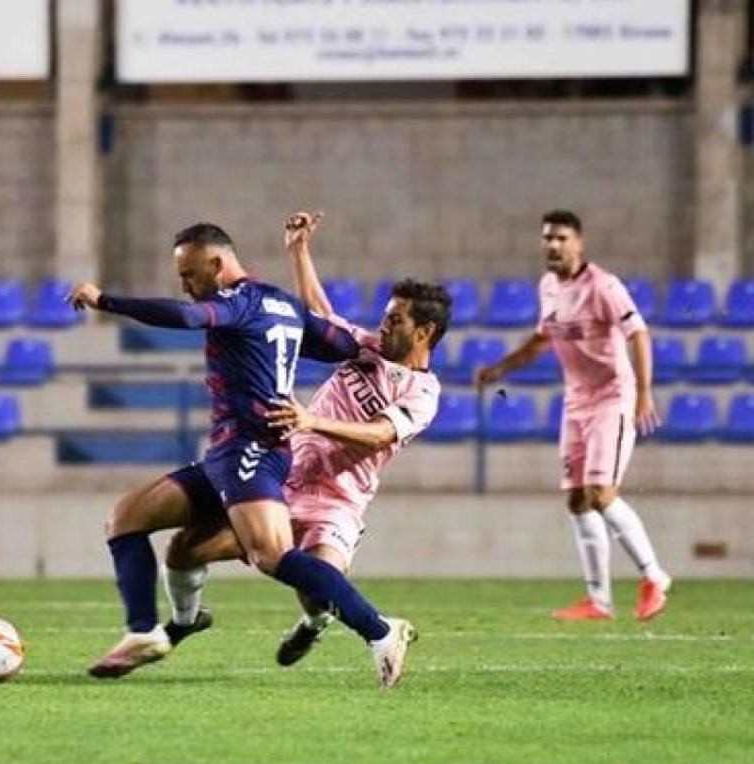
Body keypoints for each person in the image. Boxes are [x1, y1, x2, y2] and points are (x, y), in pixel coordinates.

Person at [66, 221, 416, 688]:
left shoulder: (239, 303)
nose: (187, 289)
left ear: (217, 264)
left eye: (190, 276)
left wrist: (104, 301)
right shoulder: (284, 306)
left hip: (254, 449)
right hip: (224, 454)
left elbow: (190, 318)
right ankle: (150, 630)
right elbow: (340, 345)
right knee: (126, 518)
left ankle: (380, 630)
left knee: (272, 555)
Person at [162, 212, 449, 672]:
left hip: (340, 500)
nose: (384, 325)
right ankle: (183, 621)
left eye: (395, 320)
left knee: (321, 585)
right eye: (385, 316)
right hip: (286, 479)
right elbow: (321, 316)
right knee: (192, 548)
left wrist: (311, 420)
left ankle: (315, 623)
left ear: (425, 332)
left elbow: (379, 434)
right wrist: (299, 251)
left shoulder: (424, 392)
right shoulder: (368, 348)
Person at [476, 209, 670, 622]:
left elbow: (639, 333)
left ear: (579, 243)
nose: (553, 245)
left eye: (561, 238)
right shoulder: (548, 286)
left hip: (612, 398)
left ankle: (655, 576)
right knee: (578, 500)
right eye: (547, 238)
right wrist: (500, 369)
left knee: (601, 493)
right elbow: (542, 340)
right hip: (576, 403)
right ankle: (599, 600)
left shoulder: (604, 286)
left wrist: (644, 392)